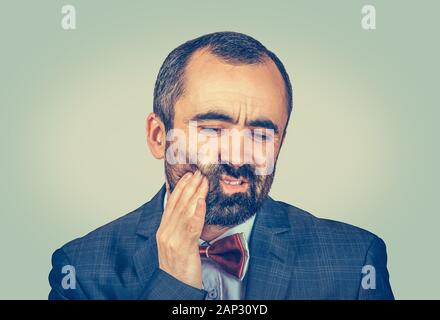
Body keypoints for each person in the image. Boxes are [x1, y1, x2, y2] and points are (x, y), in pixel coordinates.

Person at [48, 31, 394, 300]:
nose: (239, 157)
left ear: (280, 143)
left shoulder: (354, 262)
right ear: (158, 136)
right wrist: (173, 285)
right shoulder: (83, 270)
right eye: (213, 130)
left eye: (260, 134)